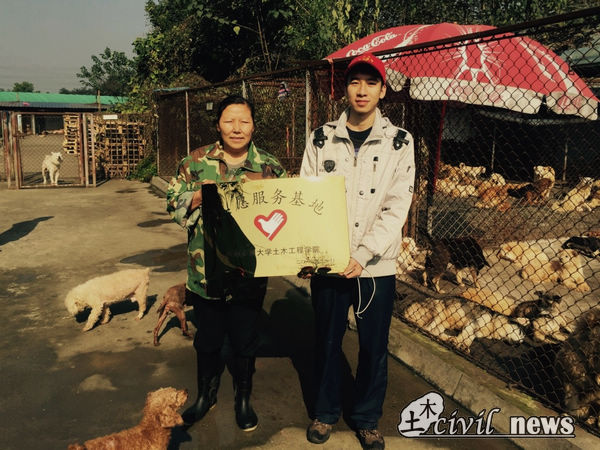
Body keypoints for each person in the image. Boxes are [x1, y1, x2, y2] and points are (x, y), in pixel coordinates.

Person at [300, 53, 415, 449]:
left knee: (373, 346)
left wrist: (363, 255)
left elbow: (397, 205)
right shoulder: (321, 138)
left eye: (371, 82)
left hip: (376, 266)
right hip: (329, 262)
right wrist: (310, 253)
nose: (362, 90)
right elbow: (307, 197)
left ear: (383, 90)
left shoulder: (400, 142)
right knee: (326, 341)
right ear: (344, 89)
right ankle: (325, 411)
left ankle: (367, 418)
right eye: (354, 81)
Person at [166, 95, 286, 432]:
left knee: (245, 339)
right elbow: (172, 203)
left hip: (249, 272)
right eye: (229, 121)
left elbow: (288, 214)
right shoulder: (195, 162)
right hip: (206, 272)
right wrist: (196, 196)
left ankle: (243, 399)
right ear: (218, 125)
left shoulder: (270, 167)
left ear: (254, 126)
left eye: (244, 121)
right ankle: (205, 396)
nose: (237, 128)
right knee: (208, 339)